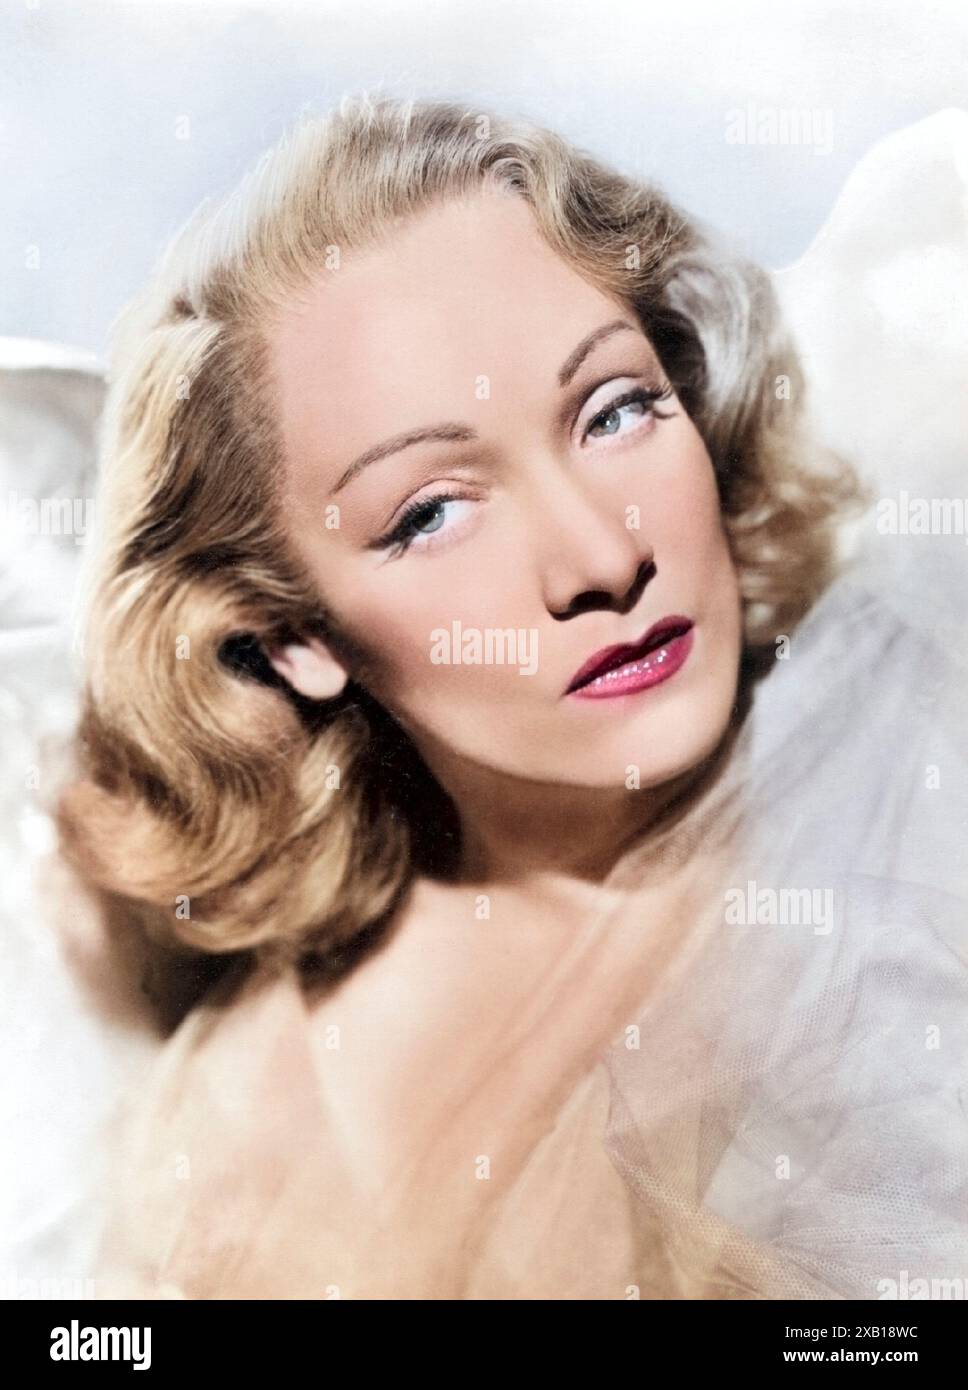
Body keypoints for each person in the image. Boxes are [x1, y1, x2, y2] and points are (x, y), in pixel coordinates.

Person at [56, 93, 968, 1300]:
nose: (601, 556)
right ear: (293, 638)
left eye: (615, 410)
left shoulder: (914, 783)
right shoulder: (242, 1144)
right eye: (430, 512)